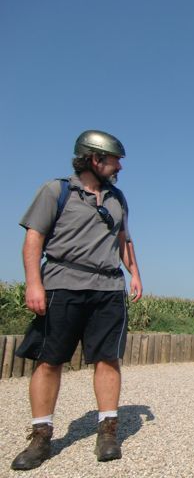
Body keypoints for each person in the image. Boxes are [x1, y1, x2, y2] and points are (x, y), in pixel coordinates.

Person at [10, 130, 142, 471]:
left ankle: (108, 432)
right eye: (115, 161)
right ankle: (41, 437)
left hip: (108, 288)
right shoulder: (56, 191)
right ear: (95, 159)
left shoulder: (117, 198)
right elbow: (34, 238)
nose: (119, 168)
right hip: (62, 284)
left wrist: (135, 274)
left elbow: (124, 240)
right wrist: (33, 284)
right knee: (49, 360)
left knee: (108, 359)